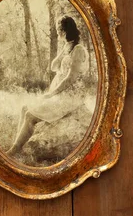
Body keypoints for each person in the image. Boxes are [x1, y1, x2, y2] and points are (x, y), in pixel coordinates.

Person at [7, 16, 90, 156]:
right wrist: (63, 51)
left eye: (58, 30)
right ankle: (17, 146)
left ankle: (14, 150)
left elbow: (70, 78)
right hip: (60, 93)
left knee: (30, 115)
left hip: (70, 97)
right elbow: (53, 67)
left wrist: (52, 94)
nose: (57, 33)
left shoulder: (79, 50)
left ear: (65, 31)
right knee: (24, 108)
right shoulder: (68, 47)